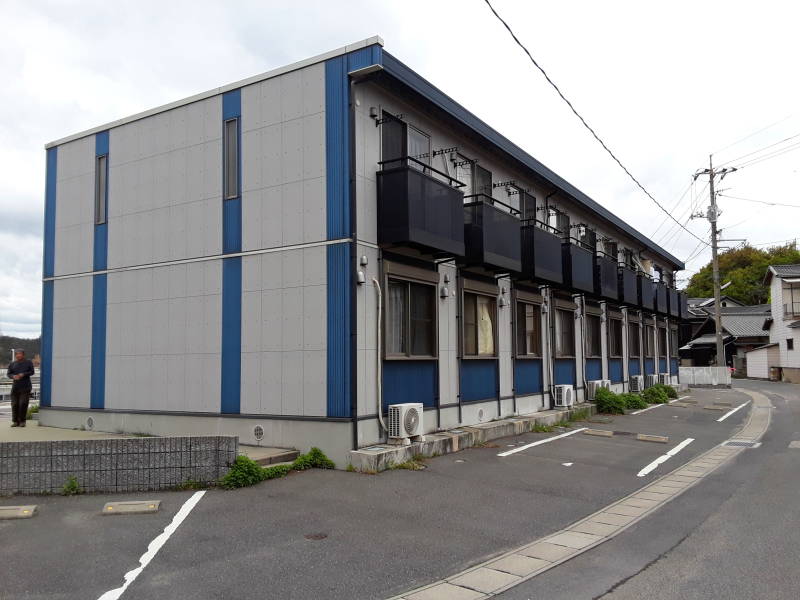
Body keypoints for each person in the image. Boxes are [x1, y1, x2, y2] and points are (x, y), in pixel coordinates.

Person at [7, 349, 35, 427]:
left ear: (23, 355)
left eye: (20, 354)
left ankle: (22, 421)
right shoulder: (12, 364)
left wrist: (23, 374)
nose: (18, 355)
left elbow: (32, 372)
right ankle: (15, 421)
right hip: (15, 387)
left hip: (25, 387)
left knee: (23, 404)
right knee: (14, 404)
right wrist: (13, 376)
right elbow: (8, 374)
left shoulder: (28, 362)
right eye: (17, 354)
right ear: (15, 355)